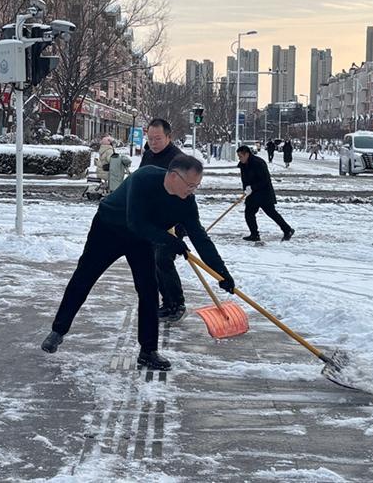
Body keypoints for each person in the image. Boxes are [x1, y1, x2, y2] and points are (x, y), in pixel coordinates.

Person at [41, 155, 236, 371]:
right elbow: (135, 222)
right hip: (109, 228)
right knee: (84, 278)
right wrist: (168, 240)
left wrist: (221, 273)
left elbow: (200, 237)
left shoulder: (187, 203)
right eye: (190, 184)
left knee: (149, 289)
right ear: (173, 176)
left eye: (196, 186)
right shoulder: (144, 178)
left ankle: (148, 351)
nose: (192, 190)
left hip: (141, 239)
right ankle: (58, 331)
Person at [139, 118, 188, 322]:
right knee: (153, 262)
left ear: (169, 137)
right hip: (153, 221)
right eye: (150, 139)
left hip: (174, 220)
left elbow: (185, 194)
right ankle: (167, 302)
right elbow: (139, 181)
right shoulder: (148, 155)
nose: (153, 143)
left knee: (163, 260)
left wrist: (177, 226)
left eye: (157, 138)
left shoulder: (179, 160)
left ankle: (177, 303)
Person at [236, 145, 294, 242]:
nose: (240, 159)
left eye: (241, 156)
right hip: (252, 194)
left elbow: (265, 179)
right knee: (249, 213)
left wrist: (252, 187)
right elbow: (244, 179)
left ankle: (287, 230)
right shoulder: (243, 165)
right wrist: (246, 189)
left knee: (271, 213)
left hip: (264, 193)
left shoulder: (258, 163)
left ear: (247, 154)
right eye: (239, 157)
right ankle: (254, 234)